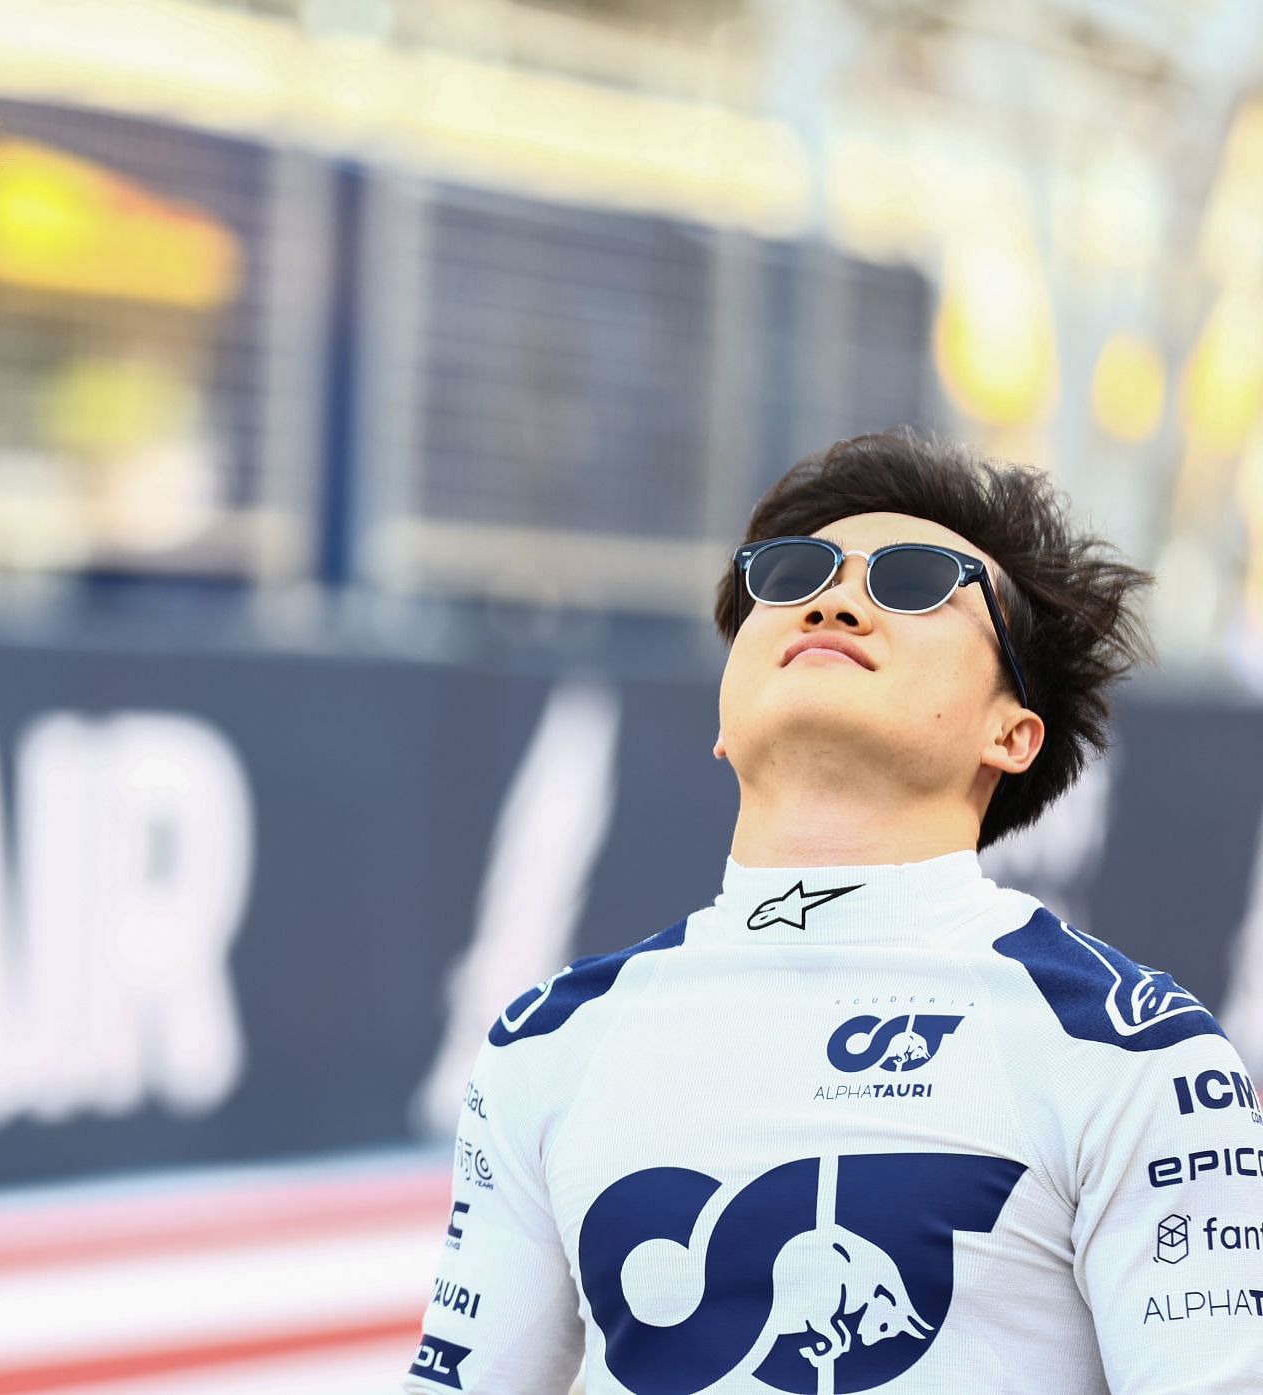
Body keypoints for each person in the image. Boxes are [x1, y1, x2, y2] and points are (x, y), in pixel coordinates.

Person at [407, 430, 1263, 1394]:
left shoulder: (1134, 1055)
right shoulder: (550, 1040)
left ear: (1013, 733)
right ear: (724, 720)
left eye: (916, 581)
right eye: (791, 573)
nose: (830, 598)